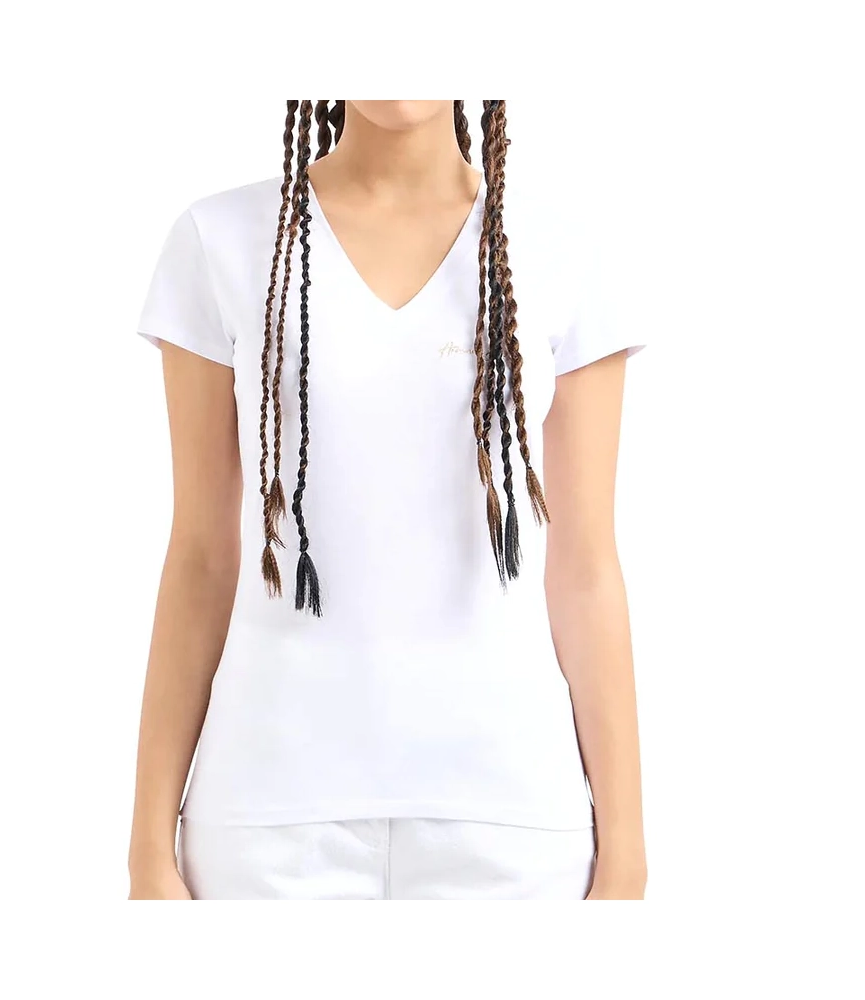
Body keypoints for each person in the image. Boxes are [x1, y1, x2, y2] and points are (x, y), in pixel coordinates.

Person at [128, 100, 647, 900]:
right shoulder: (219, 241)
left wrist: (628, 854)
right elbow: (200, 557)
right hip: (266, 830)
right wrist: (145, 850)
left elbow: (585, 570)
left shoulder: (565, 250)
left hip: (514, 830)